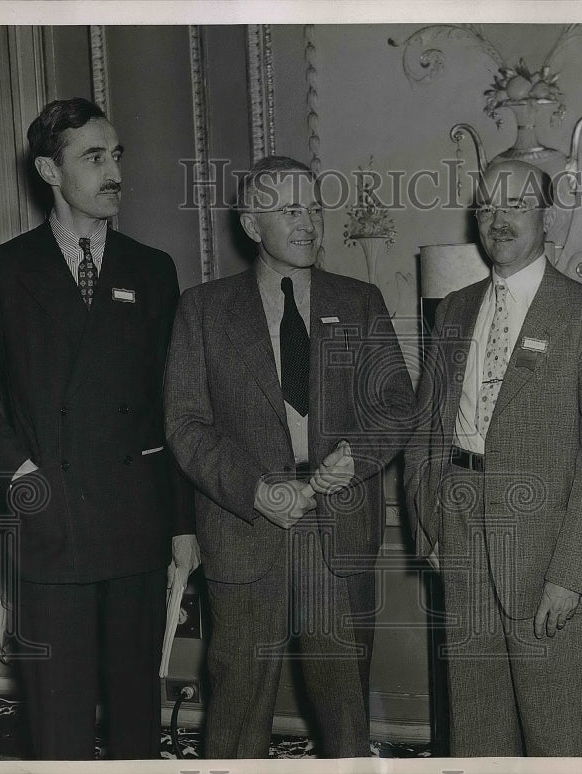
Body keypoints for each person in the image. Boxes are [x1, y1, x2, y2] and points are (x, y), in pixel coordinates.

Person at [0, 97, 199, 759]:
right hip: (51, 529)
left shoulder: (152, 270)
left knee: (136, 726)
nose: (113, 170)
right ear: (49, 171)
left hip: (137, 528)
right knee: (58, 728)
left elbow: (169, 408)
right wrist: (29, 483)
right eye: (94, 156)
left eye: (117, 154)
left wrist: (181, 525)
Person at [163, 155, 415, 758]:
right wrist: (255, 489)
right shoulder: (203, 310)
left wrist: (358, 455)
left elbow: (395, 402)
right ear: (252, 224)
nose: (307, 223)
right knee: (239, 708)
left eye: (314, 208)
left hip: (338, 536)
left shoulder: (359, 301)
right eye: (288, 210)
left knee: (344, 713)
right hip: (248, 534)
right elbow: (186, 424)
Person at [404, 159, 582, 756]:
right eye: (486, 206)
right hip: (462, 549)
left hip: (551, 568)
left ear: (549, 218)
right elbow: (426, 429)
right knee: (478, 742)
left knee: (557, 743)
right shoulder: (454, 311)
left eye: (514, 204)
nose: (497, 218)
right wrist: (427, 522)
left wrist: (571, 576)